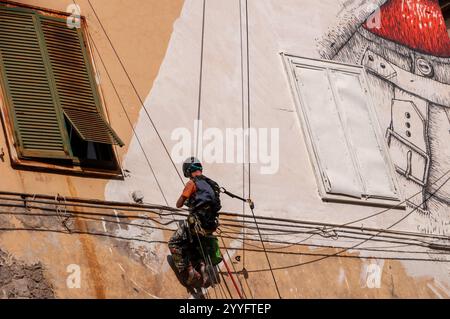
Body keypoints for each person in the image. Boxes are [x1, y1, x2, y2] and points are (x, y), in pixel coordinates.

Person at [168, 157, 222, 288]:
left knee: (174, 242)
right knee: (195, 244)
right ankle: (202, 266)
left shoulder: (192, 183)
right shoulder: (212, 184)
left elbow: (179, 204)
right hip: (210, 226)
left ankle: (190, 269)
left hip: (196, 224)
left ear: (188, 171)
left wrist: (187, 201)